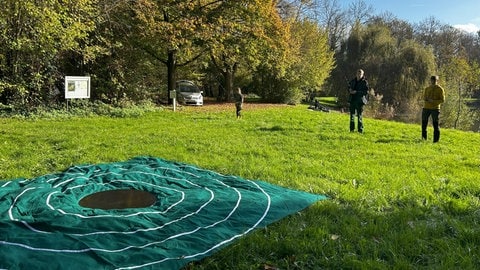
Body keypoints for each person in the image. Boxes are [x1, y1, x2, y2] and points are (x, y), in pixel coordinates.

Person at [422, 75, 445, 143]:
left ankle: (435, 141)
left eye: (434, 80)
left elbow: (442, 100)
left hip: (435, 109)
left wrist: (433, 101)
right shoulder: (427, 89)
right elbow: (424, 97)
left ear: (437, 81)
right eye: (432, 80)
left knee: (435, 125)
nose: (433, 82)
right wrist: (426, 99)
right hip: (426, 108)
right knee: (424, 124)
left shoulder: (440, 89)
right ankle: (423, 139)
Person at [348, 69, 369, 133]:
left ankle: (360, 130)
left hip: (360, 101)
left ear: (362, 75)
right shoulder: (353, 81)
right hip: (352, 100)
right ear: (356, 74)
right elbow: (348, 87)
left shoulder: (364, 82)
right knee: (352, 116)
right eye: (358, 74)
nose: (359, 75)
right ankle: (352, 130)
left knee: (359, 116)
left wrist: (356, 92)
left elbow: (366, 92)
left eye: (360, 74)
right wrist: (350, 90)